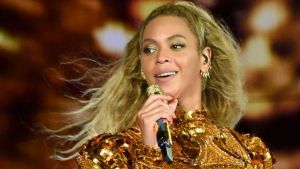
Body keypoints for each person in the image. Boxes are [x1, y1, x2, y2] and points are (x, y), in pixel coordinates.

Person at [53, 1, 274, 168]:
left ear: (204, 60)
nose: (161, 57)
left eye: (176, 46)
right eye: (149, 49)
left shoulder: (249, 152)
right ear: (142, 67)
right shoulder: (112, 153)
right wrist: (151, 150)